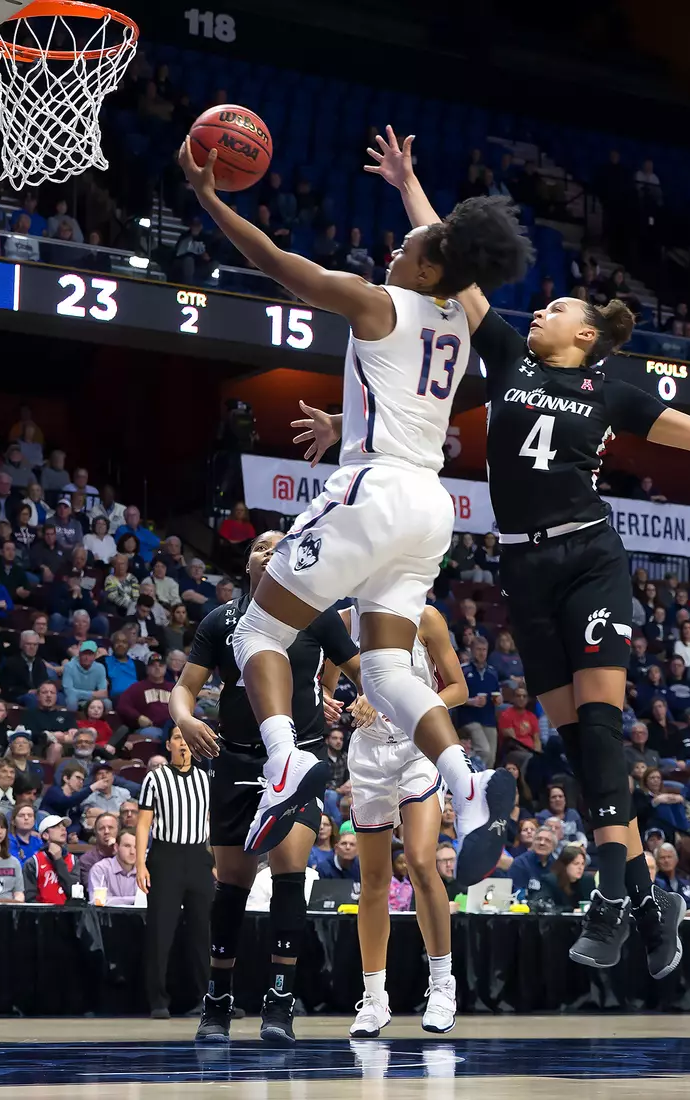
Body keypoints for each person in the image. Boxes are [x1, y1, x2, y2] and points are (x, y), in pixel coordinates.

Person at [312, 127, 690, 972]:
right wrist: (408, 185)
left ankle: (609, 896)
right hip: (521, 564)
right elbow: (453, 265)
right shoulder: (505, 359)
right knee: (576, 744)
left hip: (589, 555)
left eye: (556, 309)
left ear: (585, 339)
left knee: (601, 726)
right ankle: (649, 898)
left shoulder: (614, 389)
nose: (540, 309)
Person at [177, 131, 532, 897]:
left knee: (257, 629)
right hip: (431, 506)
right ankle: (464, 781)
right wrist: (409, 184)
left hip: (374, 491)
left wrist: (208, 197)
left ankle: (283, 758)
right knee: (382, 666)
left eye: (405, 247)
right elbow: (456, 257)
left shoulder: (381, 302)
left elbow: (279, 263)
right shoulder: (461, 318)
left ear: (428, 266)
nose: (392, 254)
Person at [174, 531, 364, 1045]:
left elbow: (362, 672)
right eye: (261, 544)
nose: (270, 548)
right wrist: (186, 721)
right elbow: (183, 689)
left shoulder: (317, 613)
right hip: (235, 757)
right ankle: (217, 1003)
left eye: (281, 543)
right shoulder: (222, 620)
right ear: (248, 560)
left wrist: (367, 698)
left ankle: (279, 1004)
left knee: (288, 874)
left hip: (300, 756)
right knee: (231, 883)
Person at [343, 603, 466, 1037]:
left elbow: (459, 688)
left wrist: (400, 703)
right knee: (373, 879)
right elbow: (324, 688)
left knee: (418, 859)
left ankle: (442, 985)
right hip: (368, 754)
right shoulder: (344, 621)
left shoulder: (426, 617)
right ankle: (375, 999)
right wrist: (339, 704)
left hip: (418, 744)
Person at [134, 727, 211, 1021]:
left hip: (197, 856)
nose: (182, 743)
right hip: (166, 856)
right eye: (177, 738)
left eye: (185, 738)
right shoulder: (155, 778)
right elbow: (143, 824)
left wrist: (214, 859)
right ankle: (158, 999)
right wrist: (141, 864)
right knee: (160, 931)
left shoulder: (206, 779)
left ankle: (206, 997)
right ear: (168, 744)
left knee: (203, 932)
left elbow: (212, 821)